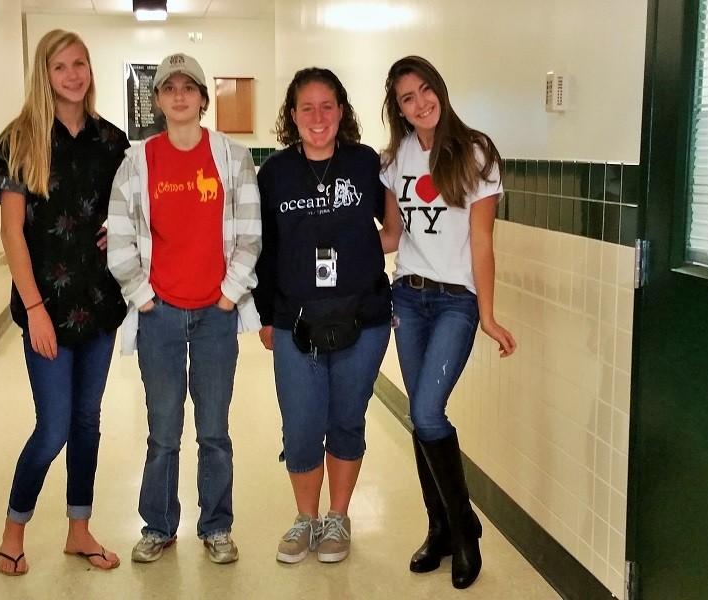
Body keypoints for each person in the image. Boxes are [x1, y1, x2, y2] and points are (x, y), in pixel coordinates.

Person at [107, 53, 261, 565]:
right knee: (163, 432)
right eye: (168, 88)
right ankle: (158, 526)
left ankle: (216, 526)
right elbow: (121, 236)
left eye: (188, 87)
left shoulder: (232, 157)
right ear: (157, 101)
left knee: (214, 430)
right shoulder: (137, 161)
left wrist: (228, 294)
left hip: (216, 313)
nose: (178, 95)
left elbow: (250, 234)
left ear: (201, 97)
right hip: (161, 315)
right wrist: (143, 296)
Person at [0, 29, 129, 575]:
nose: (74, 75)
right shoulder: (20, 140)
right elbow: (12, 233)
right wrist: (35, 310)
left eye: (81, 64)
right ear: (43, 76)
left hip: (99, 303)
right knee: (54, 426)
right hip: (45, 306)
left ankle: (78, 529)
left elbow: (134, 211)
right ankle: (13, 528)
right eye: (61, 67)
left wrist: (120, 229)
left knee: (88, 421)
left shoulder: (111, 140)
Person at [380, 55, 517, 589]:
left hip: (456, 302)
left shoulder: (477, 152)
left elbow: (482, 240)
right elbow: (393, 235)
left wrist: (486, 313)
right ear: (398, 107)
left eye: (425, 90)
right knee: (422, 417)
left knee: (428, 411)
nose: (420, 103)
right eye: (407, 97)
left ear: (440, 87)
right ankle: (438, 529)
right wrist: (331, 249)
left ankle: (463, 531)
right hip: (408, 299)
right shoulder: (397, 160)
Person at [252, 67, 394, 565]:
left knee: (346, 419)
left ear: (341, 111)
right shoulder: (273, 174)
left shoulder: (364, 164)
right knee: (301, 426)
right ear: (292, 115)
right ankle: (305, 518)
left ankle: (338, 517)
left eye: (327, 106)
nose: (317, 117)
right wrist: (265, 316)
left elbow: (395, 225)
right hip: (295, 322)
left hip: (365, 319)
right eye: (306, 107)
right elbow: (263, 251)